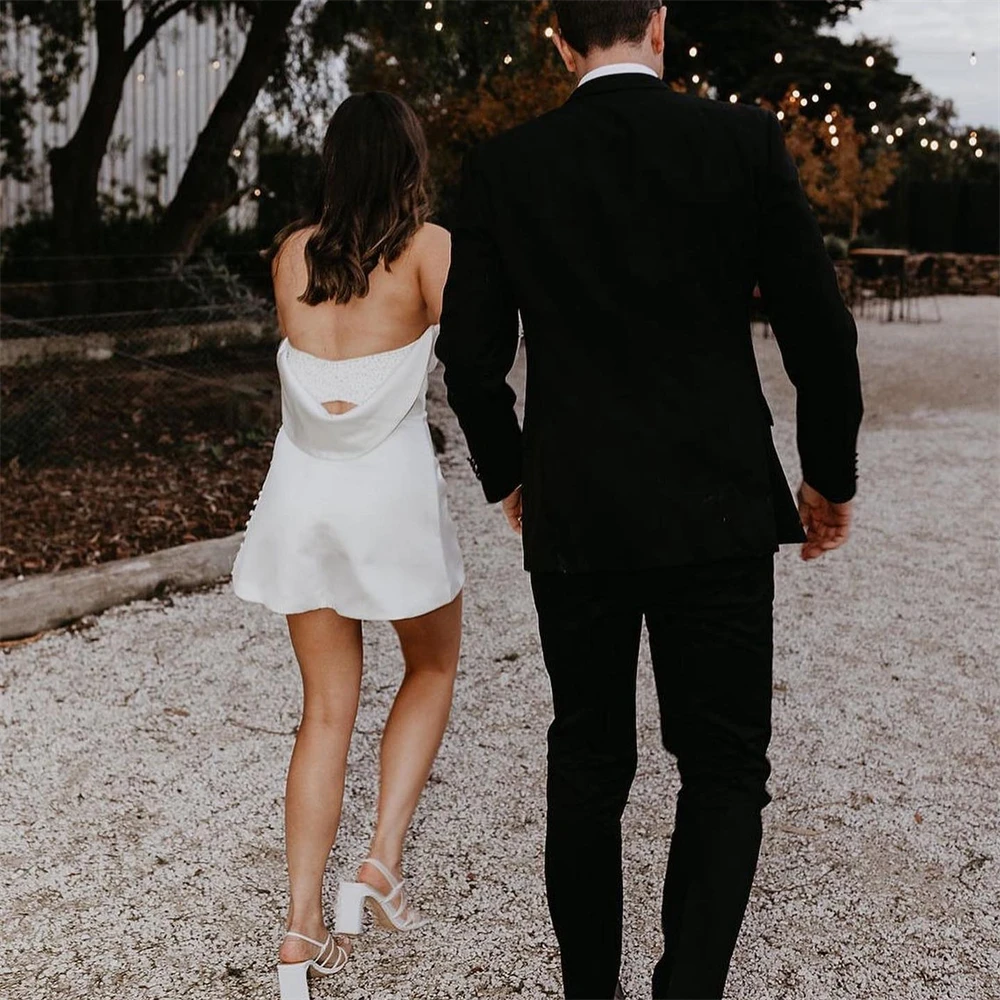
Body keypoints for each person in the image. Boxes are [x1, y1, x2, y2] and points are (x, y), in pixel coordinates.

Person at [436, 2, 863, 998]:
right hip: (713, 498)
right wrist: (826, 474)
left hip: (575, 502)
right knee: (721, 764)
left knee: (586, 757)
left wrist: (511, 477)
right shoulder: (741, 140)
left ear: (556, 38)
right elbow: (818, 328)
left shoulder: (505, 166)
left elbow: (468, 361)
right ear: (658, 25)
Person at [230, 92, 464, 1000]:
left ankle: (297, 937)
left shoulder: (291, 252)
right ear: (409, 161)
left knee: (325, 710)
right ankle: (378, 865)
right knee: (433, 668)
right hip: (392, 495)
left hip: (305, 494)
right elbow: (477, 355)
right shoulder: (431, 250)